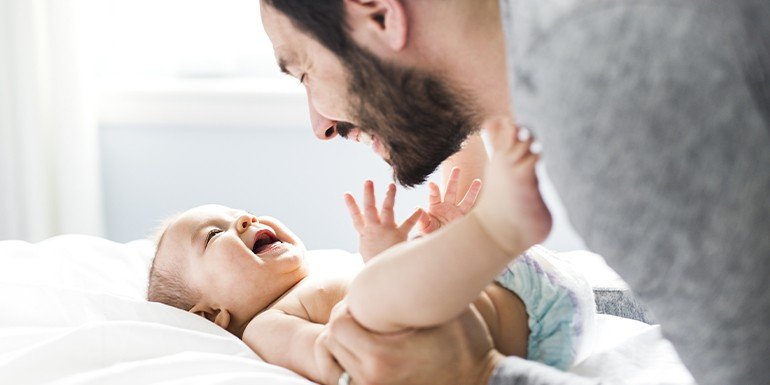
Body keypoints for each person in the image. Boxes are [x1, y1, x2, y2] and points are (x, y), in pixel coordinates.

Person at [259, 0, 770, 384]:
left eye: (303, 71)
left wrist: (480, 373)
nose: (320, 125)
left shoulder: (604, 85)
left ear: (378, 13)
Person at [147, 129, 596, 384]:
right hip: (522, 330)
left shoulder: (322, 270)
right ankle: (494, 224)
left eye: (239, 211)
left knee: (441, 214)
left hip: (513, 286)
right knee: (366, 304)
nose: (243, 219)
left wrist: (421, 251)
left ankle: (463, 137)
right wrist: (386, 267)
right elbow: (336, 355)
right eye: (213, 235)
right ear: (211, 315)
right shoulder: (265, 328)